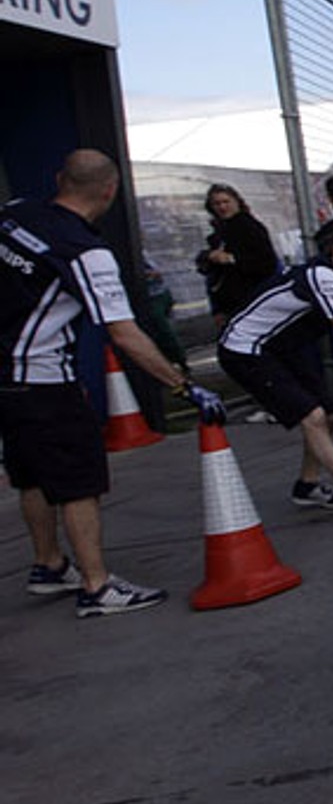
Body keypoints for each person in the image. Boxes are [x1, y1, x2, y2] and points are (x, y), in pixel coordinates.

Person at [3, 150, 225, 617]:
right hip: (44, 380)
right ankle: (97, 585)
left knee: (33, 475)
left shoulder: (15, 213)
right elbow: (125, 333)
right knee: (79, 483)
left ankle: (48, 564)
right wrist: (183, 386)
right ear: (110, 191)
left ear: (59, 178)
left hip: (7, 381)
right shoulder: (86, 251)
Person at [217, 218, 333, 520]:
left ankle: (307, 484)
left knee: (331, 413)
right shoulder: (321, 275)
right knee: (312, 417)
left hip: (281, 349)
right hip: (246, 349)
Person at [196, 183, 279, 328]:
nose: (222, 207)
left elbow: (266, 263)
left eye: (226, 202)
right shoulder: (219, 231)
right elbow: (212, 272)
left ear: (236, 202)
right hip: (230, 303)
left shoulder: (249, 227)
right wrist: (210, 256)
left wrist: (231, 259)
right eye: (217, 204)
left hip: (252, 299)